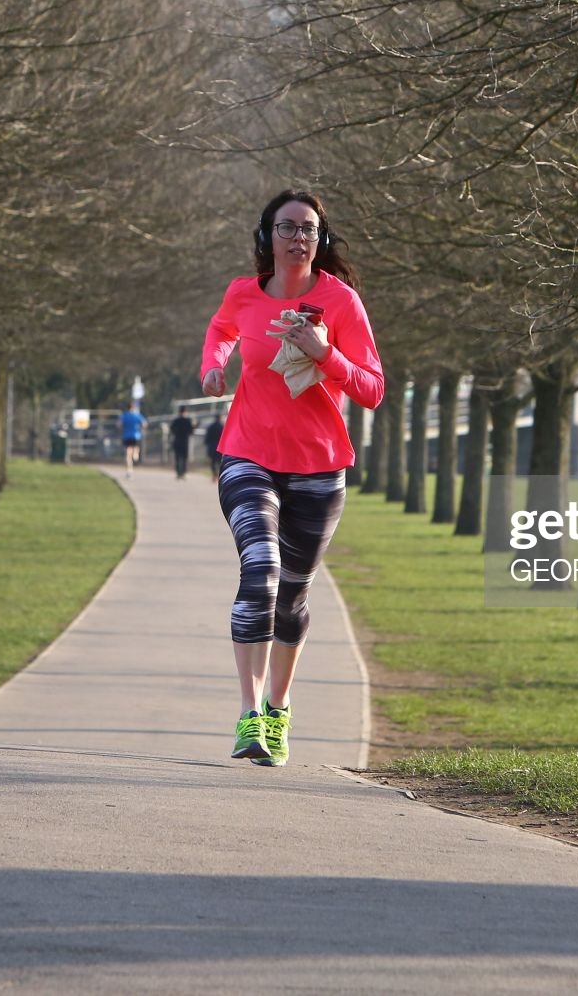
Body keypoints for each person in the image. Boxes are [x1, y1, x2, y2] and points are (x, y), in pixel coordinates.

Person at [200, 189, 383, 767]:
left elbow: (372, 389)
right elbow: (222, 330)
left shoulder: (341, 302)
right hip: (247, 453)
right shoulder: (244, 294)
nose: (298, 237)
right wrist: (214, 366)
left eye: (308, 228)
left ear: (320, 239)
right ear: (266, 237)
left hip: (319, 464)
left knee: (293, 593)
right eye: (287, 227)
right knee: (262, 569)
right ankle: (250, 715)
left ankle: (278, 712)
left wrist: (325, 353)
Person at [168, 407, 196, 479]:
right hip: (185, 441)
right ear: (185, 412)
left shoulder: (176, 421)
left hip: (177, 441)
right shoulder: (188, 421)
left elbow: (172, 429)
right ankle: (184, 473)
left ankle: (178, 473)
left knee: (177, 457)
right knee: (184, 458)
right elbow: (191, 431)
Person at [119, 402, 145, 478]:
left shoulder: (124, 416)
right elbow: (144, 424)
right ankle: (135, 455)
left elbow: (119, 424)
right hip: (136, 436)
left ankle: (129, 470)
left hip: (127, 436)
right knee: (136, 448)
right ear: (134, 408)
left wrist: (123, 427)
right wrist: (140, 429)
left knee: (128, 454)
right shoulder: (137, 415)